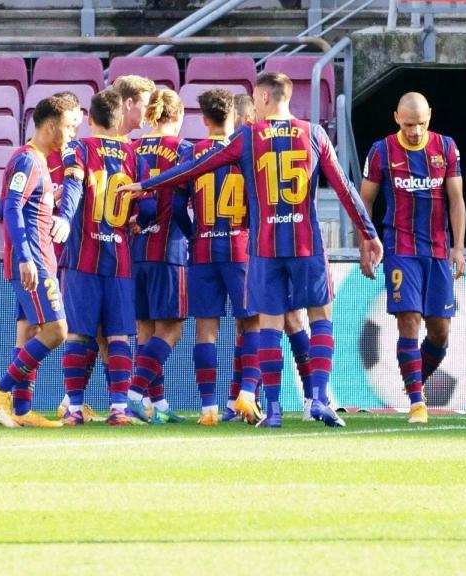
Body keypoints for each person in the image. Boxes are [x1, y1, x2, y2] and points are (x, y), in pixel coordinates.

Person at [118, 72, 383, 428]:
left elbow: (194, 168)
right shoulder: (314, 133)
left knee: (269, 324)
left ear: (264, 98)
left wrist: (146, 184)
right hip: (303, 242)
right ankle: (317, 398)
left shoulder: (248, 137)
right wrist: (368, 233)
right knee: (317, 318)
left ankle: (270, 409)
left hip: (263, 247)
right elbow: (345, 187)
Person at [359, 92, 466, 425]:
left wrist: (459, 247)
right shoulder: (381, 151)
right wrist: (366, 242)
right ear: (396, 119)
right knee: (409, 320)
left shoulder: (446, 148)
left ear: (429, 116)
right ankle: (418, 403)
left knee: (440, 333)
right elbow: (365, 202)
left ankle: (411, 382)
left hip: (436, 250)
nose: (415, 131)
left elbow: (456, 200)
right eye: (408, 124)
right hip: (400, 248)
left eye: (420, 123)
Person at [50, 90, 148, 426]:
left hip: (83, 257)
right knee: (119, 335)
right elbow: (146, 206)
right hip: (119, 257)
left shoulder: (79, 148)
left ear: (90, 119)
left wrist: (64, 214)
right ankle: (118, 408)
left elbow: (74, 185)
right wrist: (137, 221)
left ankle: (74, 408)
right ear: (119, 119)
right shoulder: (134, 156)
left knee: (79, 333)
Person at [0, 95, 76, 428]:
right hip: (32, 261)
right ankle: (1, 389)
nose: (71, 135)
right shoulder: (27, 160)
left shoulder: (39, 163)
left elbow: (18, 206)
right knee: (57, 330)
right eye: (68, 127)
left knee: (30, 332)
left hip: (41, 259)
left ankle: (21, 411)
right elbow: (10, 209)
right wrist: (25, 257)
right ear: (50, 127)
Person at [179, 88, 259, 426]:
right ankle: (246, 395)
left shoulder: (192, 153)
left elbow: (174, 206)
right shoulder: (247, 153)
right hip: (240, 247)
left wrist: (193, 232)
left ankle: (209, 407)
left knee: (206, 330)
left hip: (203, 248)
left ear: (204, 118)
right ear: (236, 117)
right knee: (252, 322)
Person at [127, 87, 193, 425]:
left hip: (136, 251)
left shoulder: (134, 148)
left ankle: (158, 405)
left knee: (145, 330)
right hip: (169, 248)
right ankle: (135, 394)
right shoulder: (183, 150)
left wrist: (138, 221)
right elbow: (173, 203)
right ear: (178, 116)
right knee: (171, 330)